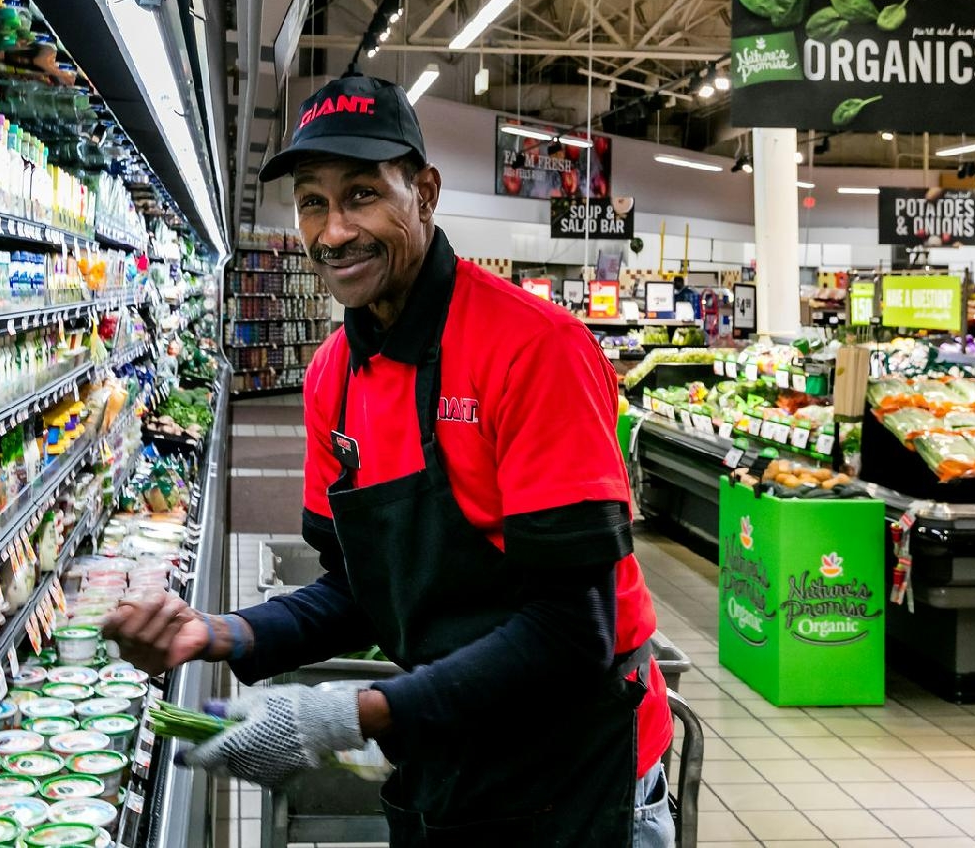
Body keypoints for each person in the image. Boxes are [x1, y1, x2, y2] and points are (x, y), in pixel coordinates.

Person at [103, 75, 675, 847]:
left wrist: (345, 714)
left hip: (578, 767)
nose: (334, 231)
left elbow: (576, 630)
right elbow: (363, 590)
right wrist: (217, 633)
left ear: (426, 194)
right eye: (312, 201)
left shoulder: (535, 350)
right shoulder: (330, 378)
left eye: (363, 194)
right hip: (447, 750)